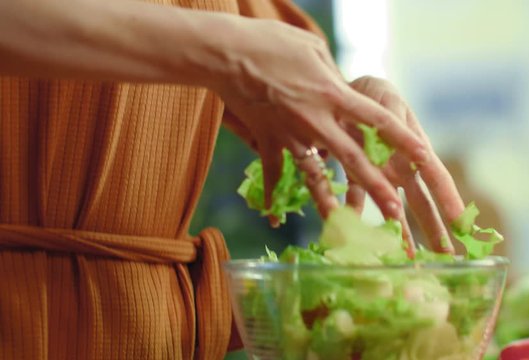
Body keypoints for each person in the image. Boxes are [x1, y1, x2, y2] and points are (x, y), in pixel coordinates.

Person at [0, 0, 465, 358]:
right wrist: (225, 50)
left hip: (152, 334)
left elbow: (246, 29)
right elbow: (227, 41)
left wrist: (341, 94)